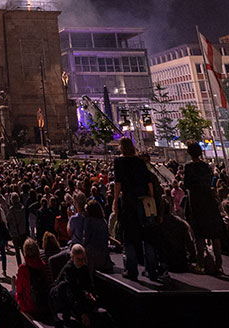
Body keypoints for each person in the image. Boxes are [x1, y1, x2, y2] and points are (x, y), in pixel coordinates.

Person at [111, 137, 161, 282]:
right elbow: (149, 182)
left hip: (129, 202)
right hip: (143, 201)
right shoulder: (139, 161)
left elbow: (118, 184)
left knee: (129, 237)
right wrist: (150, 199)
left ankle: (131, 270)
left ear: (121, 148)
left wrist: (115, 200)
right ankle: (152, 270)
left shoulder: (119, 162)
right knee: (147, 235)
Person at [182, 142, 223, 274]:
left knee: (198, 234)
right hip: (209, 201)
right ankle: (218, 263)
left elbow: (187, 184)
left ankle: (201, 264)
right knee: (214, 233)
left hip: (196, 201)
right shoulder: (206, 166)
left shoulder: (188, 167)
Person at [49, 244, 110, 328]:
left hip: (76, 295)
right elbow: (72, 291)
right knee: (64, 286)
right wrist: (82, 313)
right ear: (72, 257)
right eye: (78, 259)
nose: (81, 262)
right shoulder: (68, 269)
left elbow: (88, 285)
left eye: (82, 259)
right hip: (61, 296)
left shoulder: (84, 268)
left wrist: (91, 294)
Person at [14, 238, 51, 321]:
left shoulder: (23, 268)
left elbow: (19, 290)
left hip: (29, 305)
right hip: (42, 302)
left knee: (13, 295)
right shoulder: (42, 264)